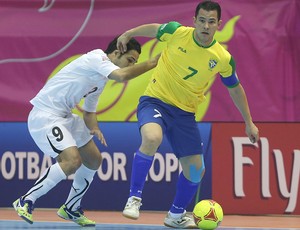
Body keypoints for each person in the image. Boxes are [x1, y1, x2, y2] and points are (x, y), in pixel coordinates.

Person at [117, 0, 259, 228]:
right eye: (201, 20)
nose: (205, 26)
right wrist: (129, 33)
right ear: (194, 21)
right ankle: (134, 199)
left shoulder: (222, 58)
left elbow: (235, 88)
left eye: (211, 22)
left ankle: (175, 215)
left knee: (196, 170)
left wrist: (248, 122)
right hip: (156, 102)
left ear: (219, 24)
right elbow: (154, 29)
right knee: (152, 138)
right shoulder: (177, 32)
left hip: (184, 115)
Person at [12, 36, 159, 227]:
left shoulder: (102, 80)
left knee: (94, 159)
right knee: (72, 161)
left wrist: (95, 128)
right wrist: (153, 62)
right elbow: (122, 76)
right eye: (130, 60)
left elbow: (89, 112)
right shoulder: (96, 58)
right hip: (45, 115)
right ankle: (26, 200)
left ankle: (71, 207)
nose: (130, 65)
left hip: (66, 116)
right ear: (116, 52)